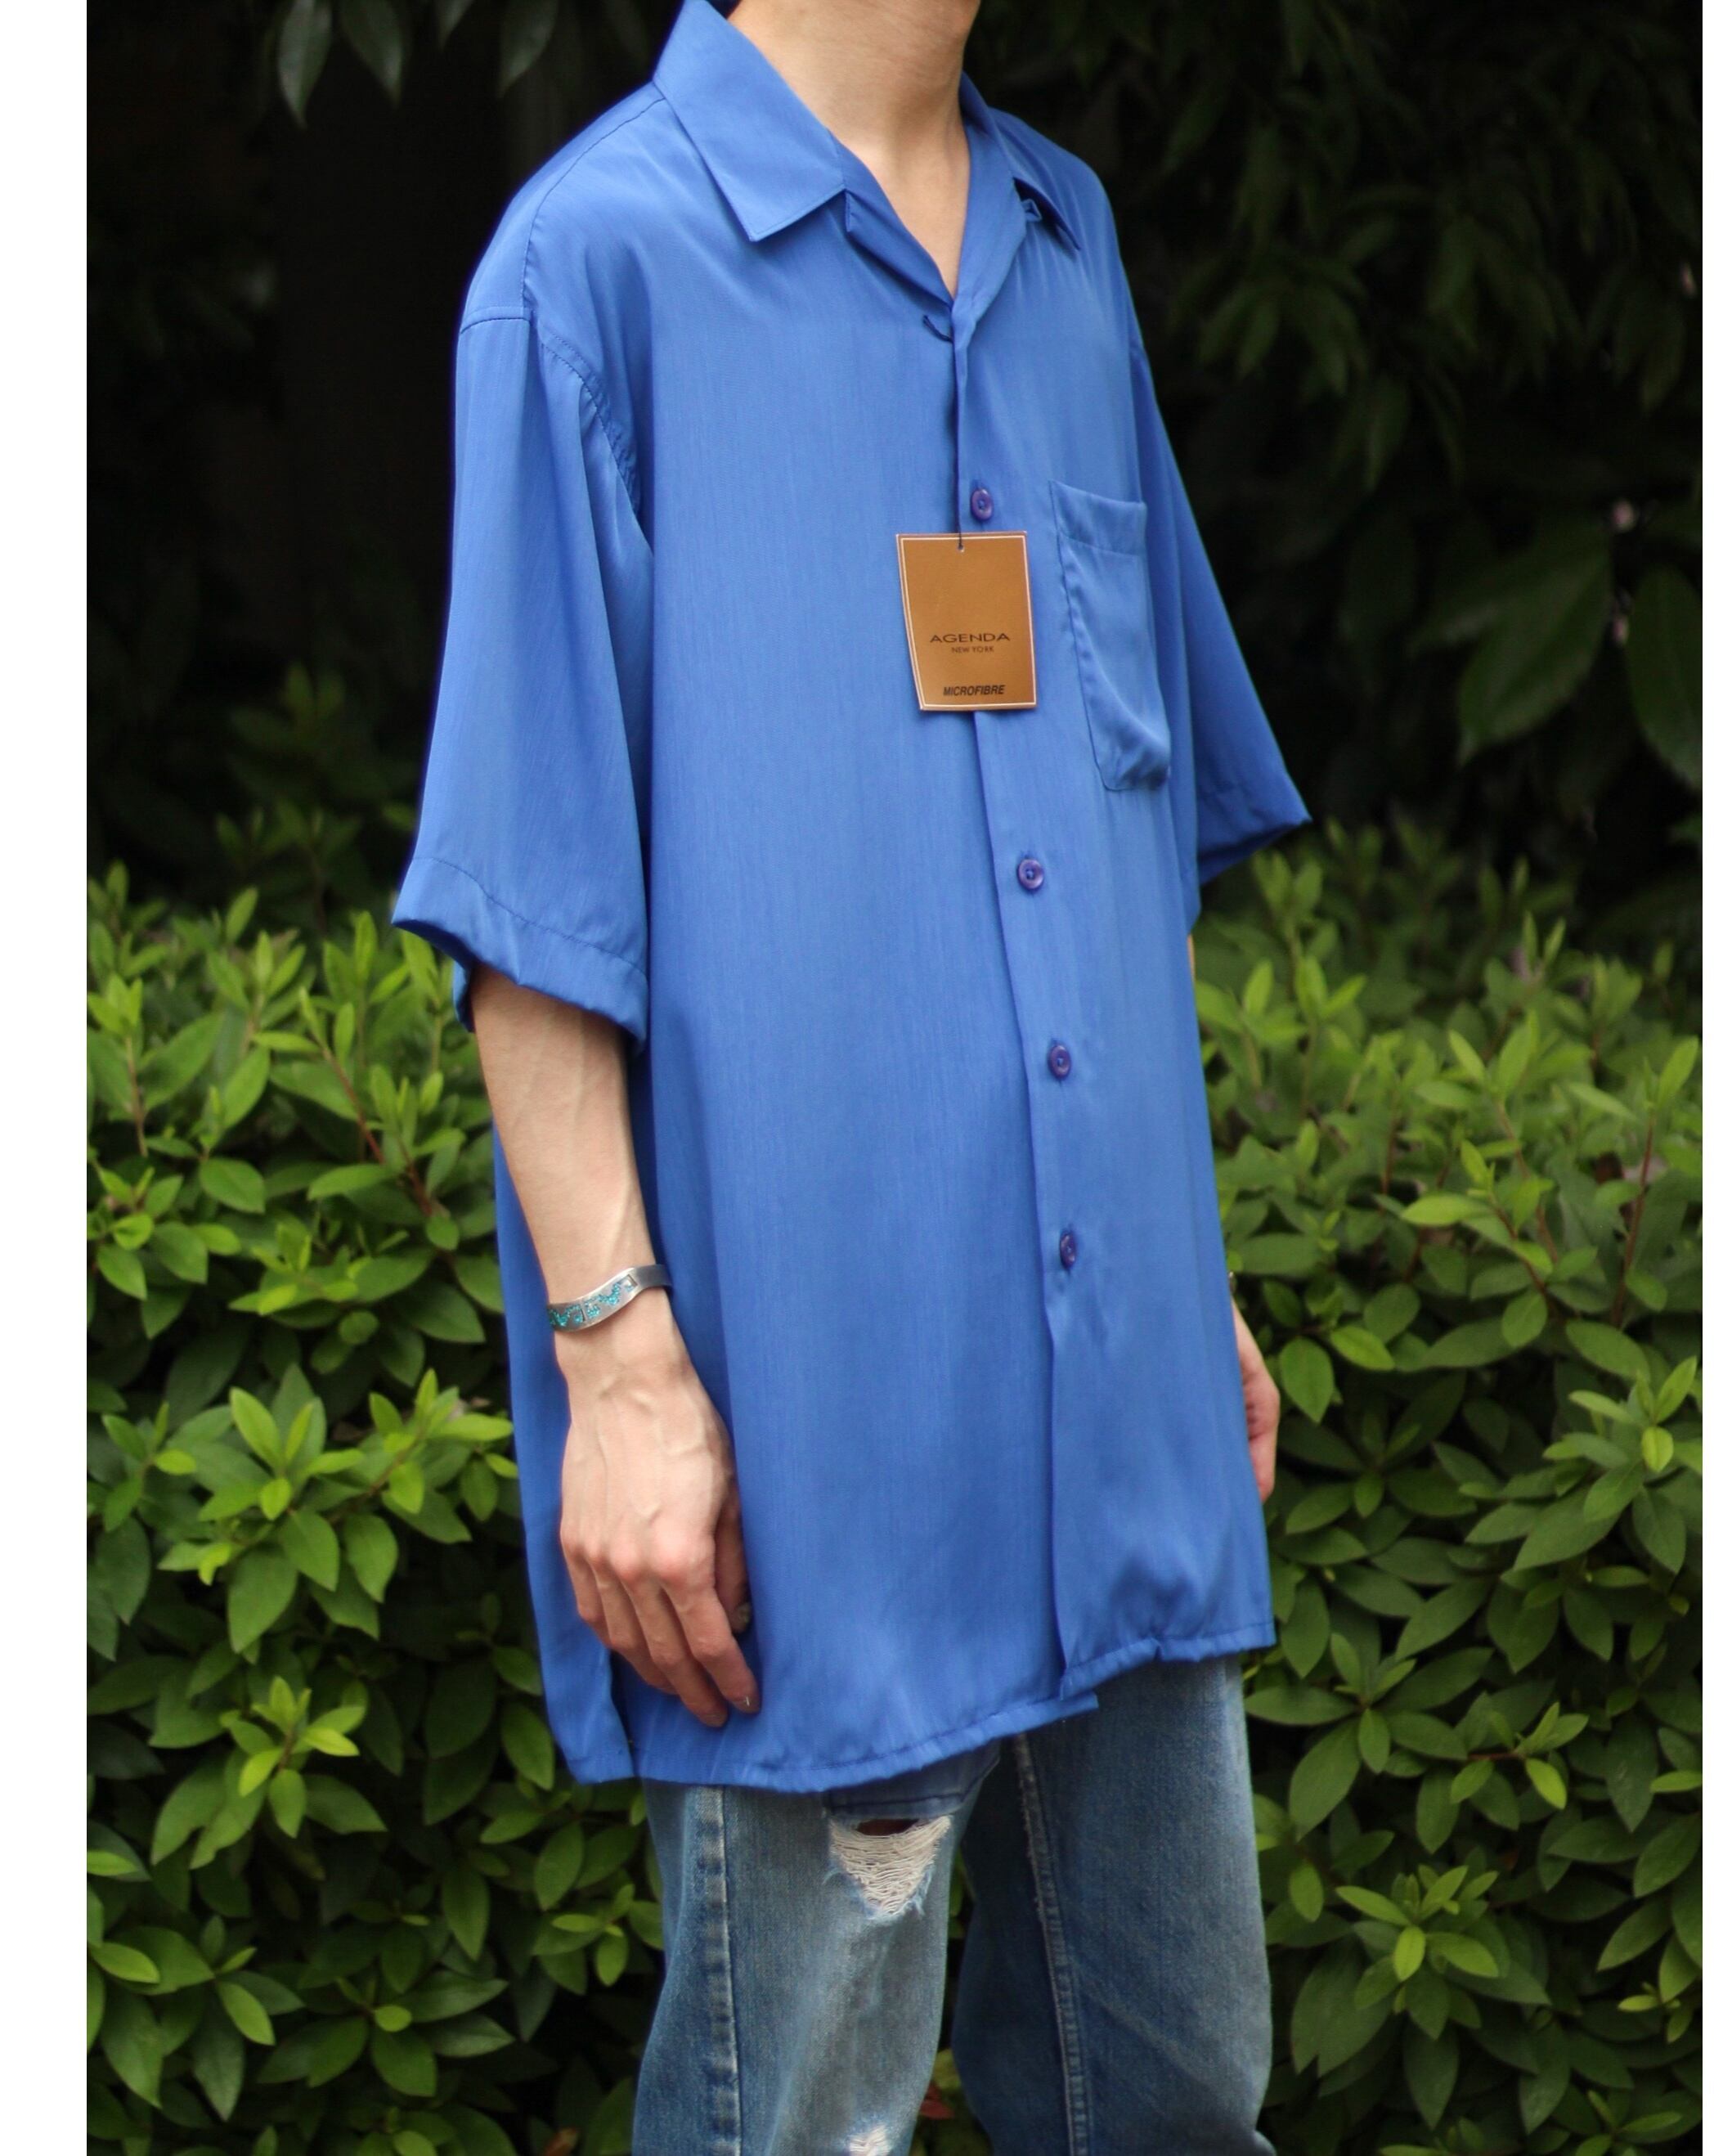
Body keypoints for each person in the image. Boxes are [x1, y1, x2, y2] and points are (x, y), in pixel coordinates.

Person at [393, 0, 1311, 2146]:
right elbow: (527, 903)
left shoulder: (1065, 244)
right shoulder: (592, 267)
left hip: (1123, 1425)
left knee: (1182, 2101)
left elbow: (1116, 818)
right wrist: (620, 1369)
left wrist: (1181, 1279)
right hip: (821, 1458)